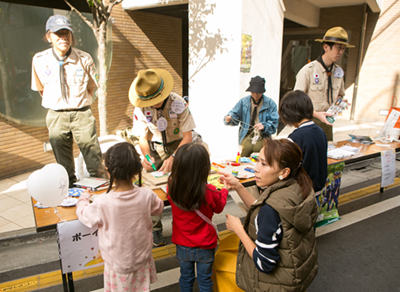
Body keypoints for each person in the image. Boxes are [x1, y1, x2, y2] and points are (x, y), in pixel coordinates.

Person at [219, 138, 318, 292]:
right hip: (296, 272)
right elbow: (262, 212)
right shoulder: (299, 185)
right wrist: (238, 186)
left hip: (276, 284)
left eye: (264, 164)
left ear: (284, 172)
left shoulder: (270, 210)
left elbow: (264, 263)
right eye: (258, 161)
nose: (256, 168)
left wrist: (239, 230)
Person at [76, 142, 164, 292]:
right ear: (137, 170)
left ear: (108, 171)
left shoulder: (103, 202)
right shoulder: (146, 194)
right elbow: (159, 208)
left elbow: (85, 215)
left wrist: (83, 198)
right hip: (142, 259)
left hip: (118, 264)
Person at [31, 15, 104, 187]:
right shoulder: (39, 60)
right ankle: (70, 194)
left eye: (67, 33)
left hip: (82, 114)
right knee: (63, 164)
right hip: (56, 115)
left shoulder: (84, 59)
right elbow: (42, 89)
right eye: (58, 34)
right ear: (49, 36)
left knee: (94, 158)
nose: (63, 38)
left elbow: (91, 87)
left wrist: (76, 103)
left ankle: (100, 195)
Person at [129, 68, 196, 246]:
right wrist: (146, 156)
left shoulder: (178, 103)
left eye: (157, 100)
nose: (154, 104)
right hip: (156, 147)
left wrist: (174, 156)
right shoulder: (141, 107)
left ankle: (182, 225)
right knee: (153, 189)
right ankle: (156, 229)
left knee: (181, 187)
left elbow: (188, 136)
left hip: (179, 145)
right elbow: (142, 137)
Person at [168, 143, 228, 292]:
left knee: (186, 277)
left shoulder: (172, 187)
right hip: (205, 244)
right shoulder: (210, 191)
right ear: (204, 168)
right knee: (205, 279)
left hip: (182, 243)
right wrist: (225, 189)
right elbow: (219, 207)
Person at [294, 26, 355, 141]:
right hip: (309, 122)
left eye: (343, 48)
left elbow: (339, 94)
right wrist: (317, 114)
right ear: (326, 47)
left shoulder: (338, 71)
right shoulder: (308, 70)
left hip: (328, 121)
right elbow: (296, 102)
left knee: (327, 153)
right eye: (338, 48)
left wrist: (340, 102)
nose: (341, 52)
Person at [279, 90, 328, 194]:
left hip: (301, 192)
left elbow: (287, 168)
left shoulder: (295, 138)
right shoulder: (321, 131)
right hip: (318, 190)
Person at [224, 76, 279, 157]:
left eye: (258, 92)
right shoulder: (243, 102)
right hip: (247, 133)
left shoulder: (270, 103)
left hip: (262, 135)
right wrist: (229, 118)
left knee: (258, 148)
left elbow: (274, 122)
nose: (255, 95)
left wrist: (264, 126)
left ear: (262, 92)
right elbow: (234, 114)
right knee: (247, 148)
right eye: (253, 92)